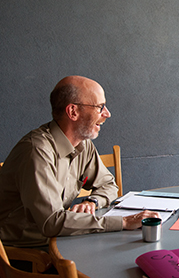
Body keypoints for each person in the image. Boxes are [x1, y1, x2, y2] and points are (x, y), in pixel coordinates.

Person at [0, 75, 159, 247]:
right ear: (73, 112)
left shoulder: (83, 144)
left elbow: (109, 185)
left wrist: (93, 201)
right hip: (25, 251)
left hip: (60, 239)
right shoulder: (36, 151)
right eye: (100, 107)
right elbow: (51, 222)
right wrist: (123, 222)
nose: (107, 114)